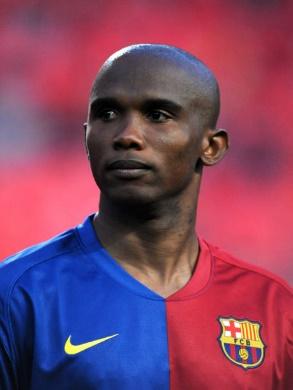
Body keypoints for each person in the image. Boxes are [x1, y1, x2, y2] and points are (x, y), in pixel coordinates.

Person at [0, 44, 292, 390]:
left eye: (157, 115)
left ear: (211, 147)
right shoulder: (18, 294)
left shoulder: (275, 309)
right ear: (85, 138)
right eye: (107, 114)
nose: (126, 136)